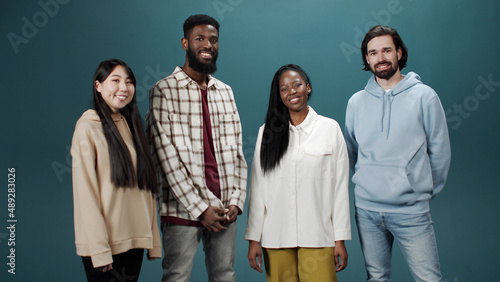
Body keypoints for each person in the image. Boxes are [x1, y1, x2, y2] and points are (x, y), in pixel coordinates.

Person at [345, 25, 452, 282]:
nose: (380, 58)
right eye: (373, 53)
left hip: (411, 211)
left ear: (399, 53)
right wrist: (367, 184)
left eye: (386, 50)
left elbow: (440, 150)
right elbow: (352, 152)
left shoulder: (425, 97)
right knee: (377, 278)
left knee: (429, 279)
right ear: (366, 59)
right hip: (367, 211)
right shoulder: (356, 102)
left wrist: (420, 191)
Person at [146, 14, 247, 282]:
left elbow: (237, 152)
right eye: (199, 38)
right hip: (182, 209)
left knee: (225, 275)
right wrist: (200, 208)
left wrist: (237, 200)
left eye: (213, 40)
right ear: (185, 43)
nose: (207, 45)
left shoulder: (226, 91)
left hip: (225, 210)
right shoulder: (163, 91)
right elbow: (165, 159)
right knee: (177, 277)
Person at [245, 64, 351, 282]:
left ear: (308, 88)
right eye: (284, 89)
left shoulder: (330, 129)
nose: (291, 91)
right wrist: (253, 238)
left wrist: (339, 239)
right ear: (279, 95)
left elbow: (340, 188)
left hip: (319, 236)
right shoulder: (266, 133)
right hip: (276, 237)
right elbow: (258, 189)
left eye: (297, 85)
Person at [71, 59, 162, 282]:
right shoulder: (87, 127)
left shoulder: (131, 126)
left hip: (134, 242)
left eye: (129, 82)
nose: (124, 87)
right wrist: (100, 250)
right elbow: (86, 195)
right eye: (116, 80)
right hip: (104, 245)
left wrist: (152, 240)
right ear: (98, 85)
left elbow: (144, 189)